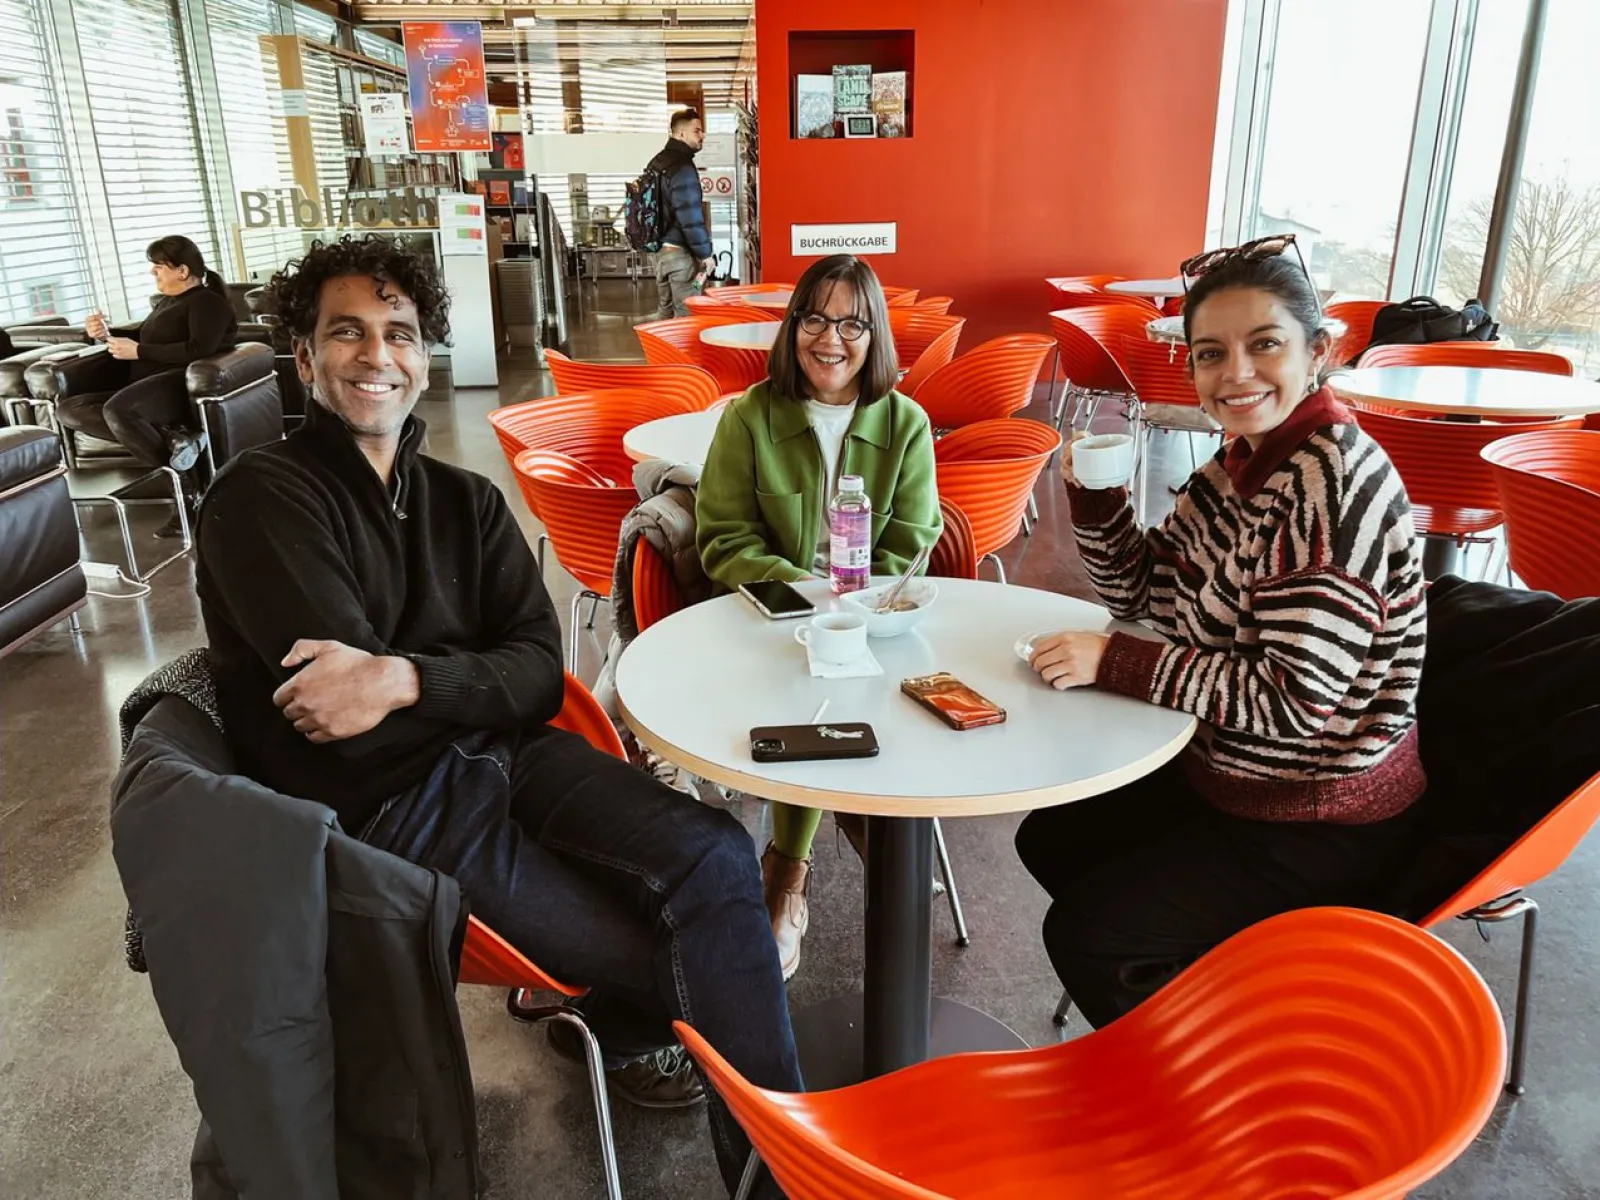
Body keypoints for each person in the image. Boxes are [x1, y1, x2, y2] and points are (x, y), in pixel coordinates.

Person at [195, 234, 801, 1199]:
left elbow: (534, 673)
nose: (375, 355)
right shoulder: (263, 500)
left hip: (510, 759)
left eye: (398, 332)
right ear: (304, 357)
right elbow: (348, 721)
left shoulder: (465, 502)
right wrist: (448, 685)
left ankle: (765, 1163)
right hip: (392, 815)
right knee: (694, 955)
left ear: (424, 353)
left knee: (719, 861)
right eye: (345, 333)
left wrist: (402, 681)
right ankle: (765, 1164)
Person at [1014, 240, 1428, 1029]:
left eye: (1263, 344)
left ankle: (1213, 1073)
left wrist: (1119, 663)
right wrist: (1097, 503)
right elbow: (1147, 593)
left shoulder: (1327, 484)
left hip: (1320, 809)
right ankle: (1210, 989)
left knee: (1093, 933)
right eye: (1212, 354)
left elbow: (1291, 702)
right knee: (1057, 840)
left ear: (1319, 352)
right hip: (1230, 774)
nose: (1236, 373)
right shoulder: (1240, 465)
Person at [696, 253, 943, 979]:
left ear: (876, 336)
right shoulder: (748, 417)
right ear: (793, 325)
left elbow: (913, 538)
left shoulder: (906, 423)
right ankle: (796, 870)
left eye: (852, 322)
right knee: (808, 698)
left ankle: (836, 844)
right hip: (772, 619)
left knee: (879, 698)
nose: (830, 338)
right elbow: (722, 539)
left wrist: (860, 601)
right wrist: (803, 585)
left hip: (876, 617)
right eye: (815, 317)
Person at [61, 235, 235, 534]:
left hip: (177, 386)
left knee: (118, 411)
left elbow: (199, 349)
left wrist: (139, 351)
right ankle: (171, 440)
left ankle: (185, 489)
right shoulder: (168, 303)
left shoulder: (207, 302)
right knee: (69, 409)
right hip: (142, 390)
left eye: (158, 267)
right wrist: (104, 334)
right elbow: (144, 338)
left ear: (182, 271)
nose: (153, 273)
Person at [646, 108, 715, 318]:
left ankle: (658, 351)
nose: (702, 135)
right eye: (697, 130)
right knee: (688, 316)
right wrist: (705, 253)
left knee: (665, 311)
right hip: (678, 255)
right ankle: (683, 352)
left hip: (659, 254)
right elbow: (690, 217)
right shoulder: (683, 167)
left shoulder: (658, 162)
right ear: (681, 134)